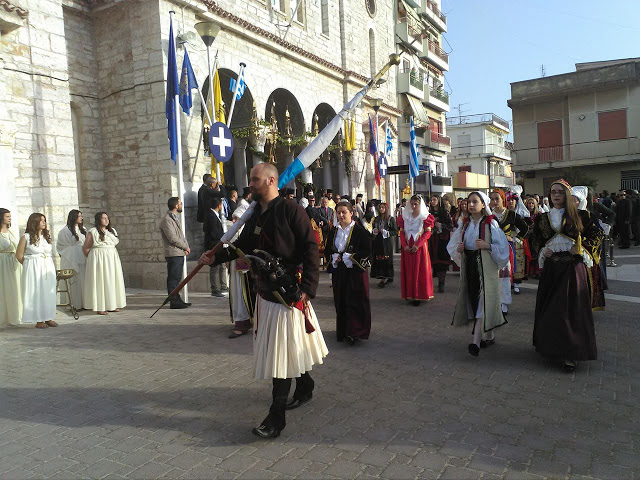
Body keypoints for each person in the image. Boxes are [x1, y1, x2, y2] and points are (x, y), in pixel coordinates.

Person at [198, 162, 328, 439]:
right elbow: (242, 248)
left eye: (255, 180)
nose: (251, 185)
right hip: (265, 294)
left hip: (288, 295)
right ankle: (305, 386)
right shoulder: (256, 213)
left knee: (282, 356)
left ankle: (276, 418)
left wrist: (307, 289)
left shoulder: (292, 210)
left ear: (271, 181)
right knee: (289, 349)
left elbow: (311, 249)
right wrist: (215, 257)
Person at [530, 179, 604, 372]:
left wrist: (581, 248)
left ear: (567, 196)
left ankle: (571, 354)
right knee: (550, 309)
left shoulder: (582, 216)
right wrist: (542, 250)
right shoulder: (542, 219)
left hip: (573, 268)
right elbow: (535, 238)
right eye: (553, 192)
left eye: (560, 192)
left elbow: (597, 234)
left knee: (570, 311)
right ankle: (552, 348)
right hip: (552, 269)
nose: (556, 195)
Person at [447, 192, 510, 356]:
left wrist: (487, 246)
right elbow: (453, 246)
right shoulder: (465, 224)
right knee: (477, 301)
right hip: (471, 269)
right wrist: (459, 249)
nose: (471, 205)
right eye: (469, 202)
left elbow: (503, 249)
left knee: (483, 301)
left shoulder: (491, 224)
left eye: (475, 202)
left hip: (486, 269)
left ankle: (475, 342)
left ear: (484, 204)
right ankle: (489, 336)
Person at [325, 201, 372, 344]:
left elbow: (368, 250)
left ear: (351, 213)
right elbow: (329, 249)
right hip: (339, 271)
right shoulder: (334, 231)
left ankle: (356, 331)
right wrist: (333, 257)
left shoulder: (359, 231)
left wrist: (351, 257)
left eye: (343, 212)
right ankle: (343, 330)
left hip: (355, 271)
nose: (340, 215)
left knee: (356, 300)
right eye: (338, 212)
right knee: (340, 299)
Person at [15, 213, 57, 328]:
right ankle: (39, 319)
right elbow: (19, 255)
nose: (44, 222)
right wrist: (30, 266)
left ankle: (48, 316)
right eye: (41, 220)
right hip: (33, 268)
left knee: (48, 292)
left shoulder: (45, 236)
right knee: (37, 292)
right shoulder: (26, 237)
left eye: (44, 220)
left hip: (47, 266)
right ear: (34, 222)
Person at [490, 189, 528, 309]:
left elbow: (525, 228)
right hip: (491, 249)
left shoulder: (511, 214)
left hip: (506, 249)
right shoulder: (488, 215)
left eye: (497, 198)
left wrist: (514, 237)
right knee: (492, 276)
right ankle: (494, 302)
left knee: (504, 276)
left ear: (503, 199)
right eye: (492, 199)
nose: (494, 201)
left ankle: (504, 303)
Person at [83, 212, 127, 315]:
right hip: (99, 259)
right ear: (99, 220)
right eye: (104, 218)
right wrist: (93, 260)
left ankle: (112, 304)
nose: (106, 220)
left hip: (112, 258)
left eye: (107, 218)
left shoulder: (111, 231)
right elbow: (86, 247)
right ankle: (100, 306)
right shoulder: (93, 232)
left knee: (112, 280)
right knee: (100, 281)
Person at [228, 191, 256, 338]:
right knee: (237, 295)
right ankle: (241, 320)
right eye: (233, 218)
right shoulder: (233, 232)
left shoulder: (245, 233)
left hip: (244, 272)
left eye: (236, 219)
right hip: (235, 270)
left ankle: (245, 321)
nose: (234, 221)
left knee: (244, 295)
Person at [398, 195, 435, 306]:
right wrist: (404, 245)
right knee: (409, 270)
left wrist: (418, 244)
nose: (413, 206)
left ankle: (419, 295)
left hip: (419, 246)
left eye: (416, 204)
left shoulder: (425, 216)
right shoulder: (405, 216)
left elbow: (427, 232)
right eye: (412, 204)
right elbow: (402, 232)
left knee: (419, 270)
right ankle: (410, 294)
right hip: (408, 246)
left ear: (420, 204)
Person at [159, 197, 191, 309]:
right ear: (176, 206)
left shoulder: (174, 218)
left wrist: (185, 247)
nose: (181, 205)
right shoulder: (167, 220)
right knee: (173, 278)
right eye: (180, 203)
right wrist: (185, 246)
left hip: (179, 252)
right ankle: (174, 301)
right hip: (173, 253)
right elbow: (172, 238)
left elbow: (180, 236)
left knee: (177, 278)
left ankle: (177, 299)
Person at [56, 209, 88, 310]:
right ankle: (74, 304)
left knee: (83, 280)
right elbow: (61, 247)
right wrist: (72, 252)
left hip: (82, 258)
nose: (81, 218)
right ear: (74, 217)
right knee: (73, 281)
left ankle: (84, 303)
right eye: (79, 216)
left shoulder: (83, 229)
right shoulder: (64, 231)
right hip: (70, 259)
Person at [0, 208, 22, 326]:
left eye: (10, 216)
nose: (10, 218)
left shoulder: (11, 232)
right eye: (7, 216)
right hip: (2, 263)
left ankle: (15, 314)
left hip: (13, 263)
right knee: (3, 288)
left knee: (14, 288)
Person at [428, 195, 453, 293]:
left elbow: (450, 226)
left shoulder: (444, 213)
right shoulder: (428, 213)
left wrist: (441, 226)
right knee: (432, 261)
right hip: (431, 239)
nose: (432, 201)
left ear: (439, 201)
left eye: (434, 200)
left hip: (442, 240)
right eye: (431, 200)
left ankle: (441, 283)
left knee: (441, 262)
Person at [204, 197, 228, 297]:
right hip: (214, 245)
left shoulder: (214, 215)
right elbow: (213, 233)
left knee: (222, 266)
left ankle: (223, 285)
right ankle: (214, 288)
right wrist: (221, 239)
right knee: (214, 267)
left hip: (218, 245)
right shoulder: (211, 216)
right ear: (219, 205)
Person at [371, 202, 397, 288]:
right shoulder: (376, 219)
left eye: (383, 208)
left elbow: (395, 231)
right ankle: (382, 276)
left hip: (387, 242)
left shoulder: (390, 219)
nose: (381, 209)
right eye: (380, 208)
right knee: (379, 258)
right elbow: (373, 227)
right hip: (378, 241)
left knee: (387, 258)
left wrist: (387, 232)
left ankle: (386, 277)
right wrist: (374, 231)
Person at [525, 196, 543, 279]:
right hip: (527, 236)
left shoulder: (539, 214)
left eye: (532, 203)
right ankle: (527, 272)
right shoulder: (524, 213)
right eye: (529, 203)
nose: (531, 205)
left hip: (536, 237)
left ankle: (536, 272)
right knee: (527, 254)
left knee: (536, 254)